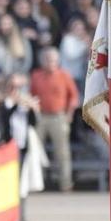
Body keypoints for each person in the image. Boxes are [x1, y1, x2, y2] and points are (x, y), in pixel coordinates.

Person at [29, 46, 78, 191]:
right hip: (41, 117)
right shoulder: (36, 75)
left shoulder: (64, 75)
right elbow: (32, 96)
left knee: (62, 152)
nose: (50, 62)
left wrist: (69, 114)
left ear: (58, 60)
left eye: (53, 59)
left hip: (59, 116)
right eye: (47, 59)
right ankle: (36, 183)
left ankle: (65, 184)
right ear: (42, 61)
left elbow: (74, 96)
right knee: (35, 149)